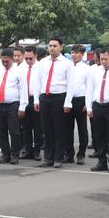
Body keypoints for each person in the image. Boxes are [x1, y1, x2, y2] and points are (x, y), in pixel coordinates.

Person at [35, 36, 76, 169]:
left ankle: (58, 157)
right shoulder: (43, 62)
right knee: (47, 129)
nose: (52, 48)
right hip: (45, 97)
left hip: (59, 97)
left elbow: (71, 84)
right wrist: (36, 99)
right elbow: (38, 81)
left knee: (59, 129)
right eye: (50, 46)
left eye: (55, 46)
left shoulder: (67, 63)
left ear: (61, 47)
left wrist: (68, 102)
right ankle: (48, 157)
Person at [0, 47, 28, 165]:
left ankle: (15, 155)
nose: (4, 63)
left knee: (14, 132)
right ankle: (6, 154)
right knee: (1, 131)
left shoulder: (19, 71)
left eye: (7, 61)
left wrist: (22, 107)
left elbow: (23, 89)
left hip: (13, 104)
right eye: (3, 61)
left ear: (12, 59)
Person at [67, 45, 90, 165]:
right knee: (67, 128)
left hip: (81, 100)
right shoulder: (68, 66)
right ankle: (69, 154)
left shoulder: (87, 69)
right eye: (72, 52)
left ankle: (81, 154)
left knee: (82, 128)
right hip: (68, 100)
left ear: (82, 54)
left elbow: (89, 87)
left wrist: (87, 103)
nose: (74, 55)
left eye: (77, 53)